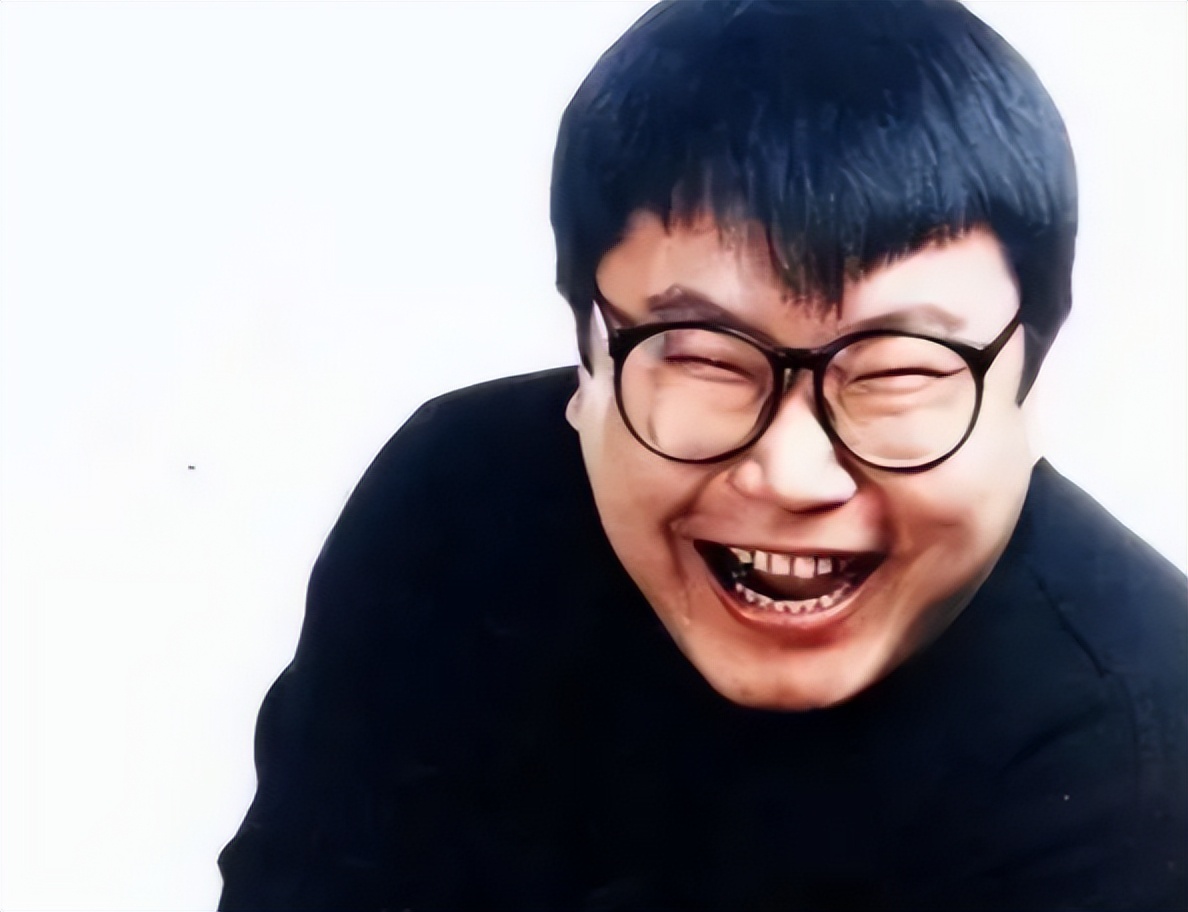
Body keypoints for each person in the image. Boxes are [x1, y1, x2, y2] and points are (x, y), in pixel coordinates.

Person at [218, 1, 1187, 908]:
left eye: (897, 369)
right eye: (706, 358)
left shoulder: (1135, 755)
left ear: (1032, 382)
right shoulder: (457, 509)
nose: (793, 474)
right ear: (587, 355)